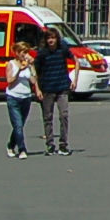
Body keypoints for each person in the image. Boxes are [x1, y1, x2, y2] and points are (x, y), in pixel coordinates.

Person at [33, 27, 75, 155]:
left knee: (64, 115)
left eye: (53, 38)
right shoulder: (42, 53)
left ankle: (63, 144)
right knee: (48, 117)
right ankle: (50, 145)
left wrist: (74, 79)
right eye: (49, 38)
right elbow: (36, 71)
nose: (51, 40)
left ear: (57, 39)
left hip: (62, 86)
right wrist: (37, 88)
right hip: (47, 87)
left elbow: (76, 59)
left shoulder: (62, 49)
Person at [4, 39, 37, 159]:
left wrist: (32, 66)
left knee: (20, 125)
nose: (24, 54)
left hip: (26, 97)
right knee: (17, 124)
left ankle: (10, 145)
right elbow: (9, 81)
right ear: (16, 53)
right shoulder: (11, 64)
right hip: (13, 97)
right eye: (22, 52)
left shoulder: (27, 64)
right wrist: (20, 71)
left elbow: (33, 81)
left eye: (26, 52)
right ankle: (22, 149)